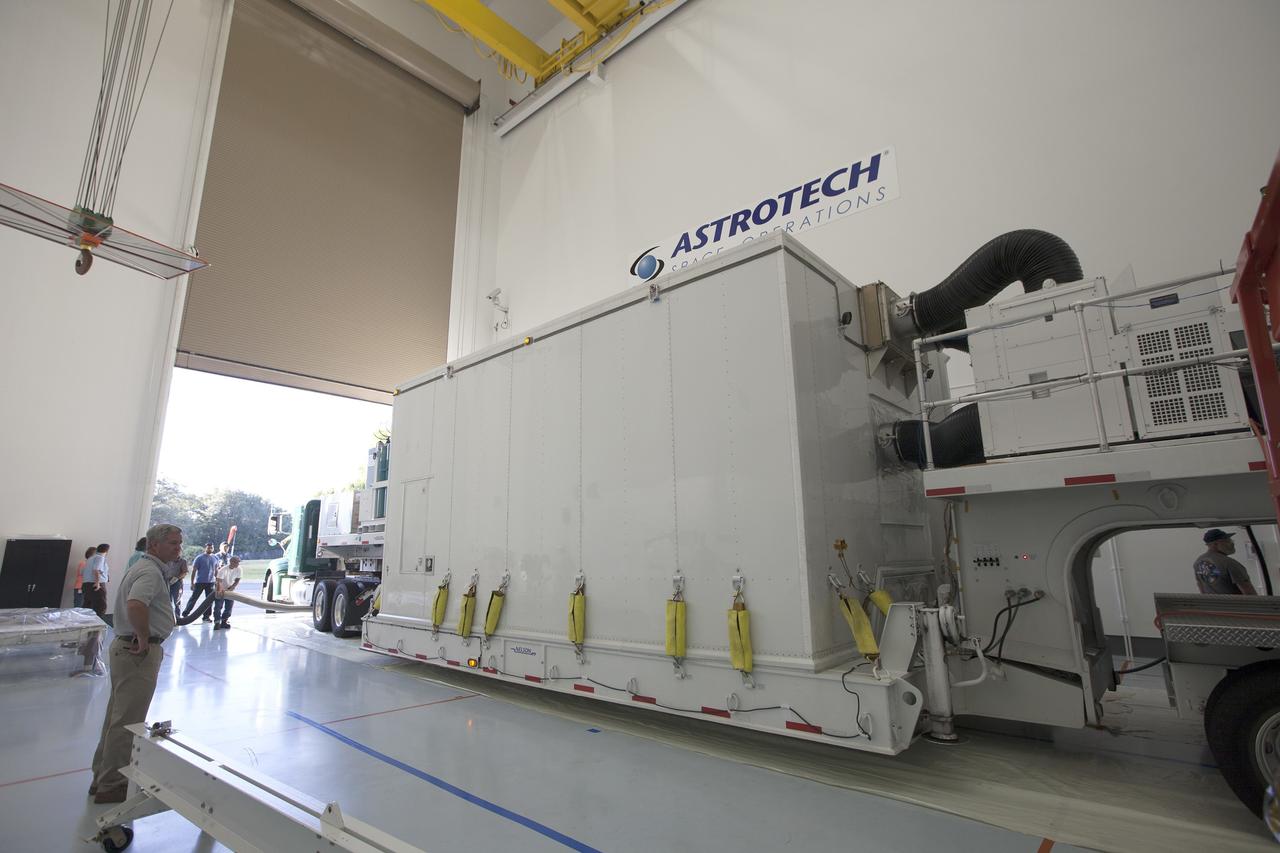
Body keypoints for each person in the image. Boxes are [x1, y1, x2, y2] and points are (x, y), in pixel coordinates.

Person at [88, 524, 182, 804]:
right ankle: (113, 784)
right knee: (128, 721)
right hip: (137, 651)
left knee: (116, 718)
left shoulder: (146, 568)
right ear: (154, 545)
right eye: (173, 543)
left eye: (179, 543)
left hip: (127, 649)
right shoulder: (149, 571)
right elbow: (136, 604)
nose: (178, 548)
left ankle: (102, 777)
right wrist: (142, 636)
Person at [1193, 529, 1258, 595]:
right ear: (1216, 544)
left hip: (1212, 602)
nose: (1232, 543)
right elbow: (1249, 593)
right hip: (1234, 602)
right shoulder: (1230, 563)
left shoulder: (1198, 562)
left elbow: (1201, 586)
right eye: (1228, 541)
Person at [182, 543, 219, 622]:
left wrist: (217, 581)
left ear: (213, 548)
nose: (210, 549)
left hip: (211, 582)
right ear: (205, 548)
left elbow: (216, 570)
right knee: (194, 598)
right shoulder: (199, 558)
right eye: (208, 548)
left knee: (209, 601)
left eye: (211, 548)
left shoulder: (215, 558)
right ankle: (185, 614)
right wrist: (192, 583)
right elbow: (194, 571)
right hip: (200, 582)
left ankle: (206, 616)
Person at [213, 555, 241, 629]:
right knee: (218, 606)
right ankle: (217, 622)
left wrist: (232, 588)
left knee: (229, 607)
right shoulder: (223, 570)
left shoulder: (239, 569)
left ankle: (224, 621)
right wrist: (220, 591)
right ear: (231, 562)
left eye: (238, 562)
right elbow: (219, 582)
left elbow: (237, 580)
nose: (238, 564)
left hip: (229, 588)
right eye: (237, 562)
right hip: (219, 587)